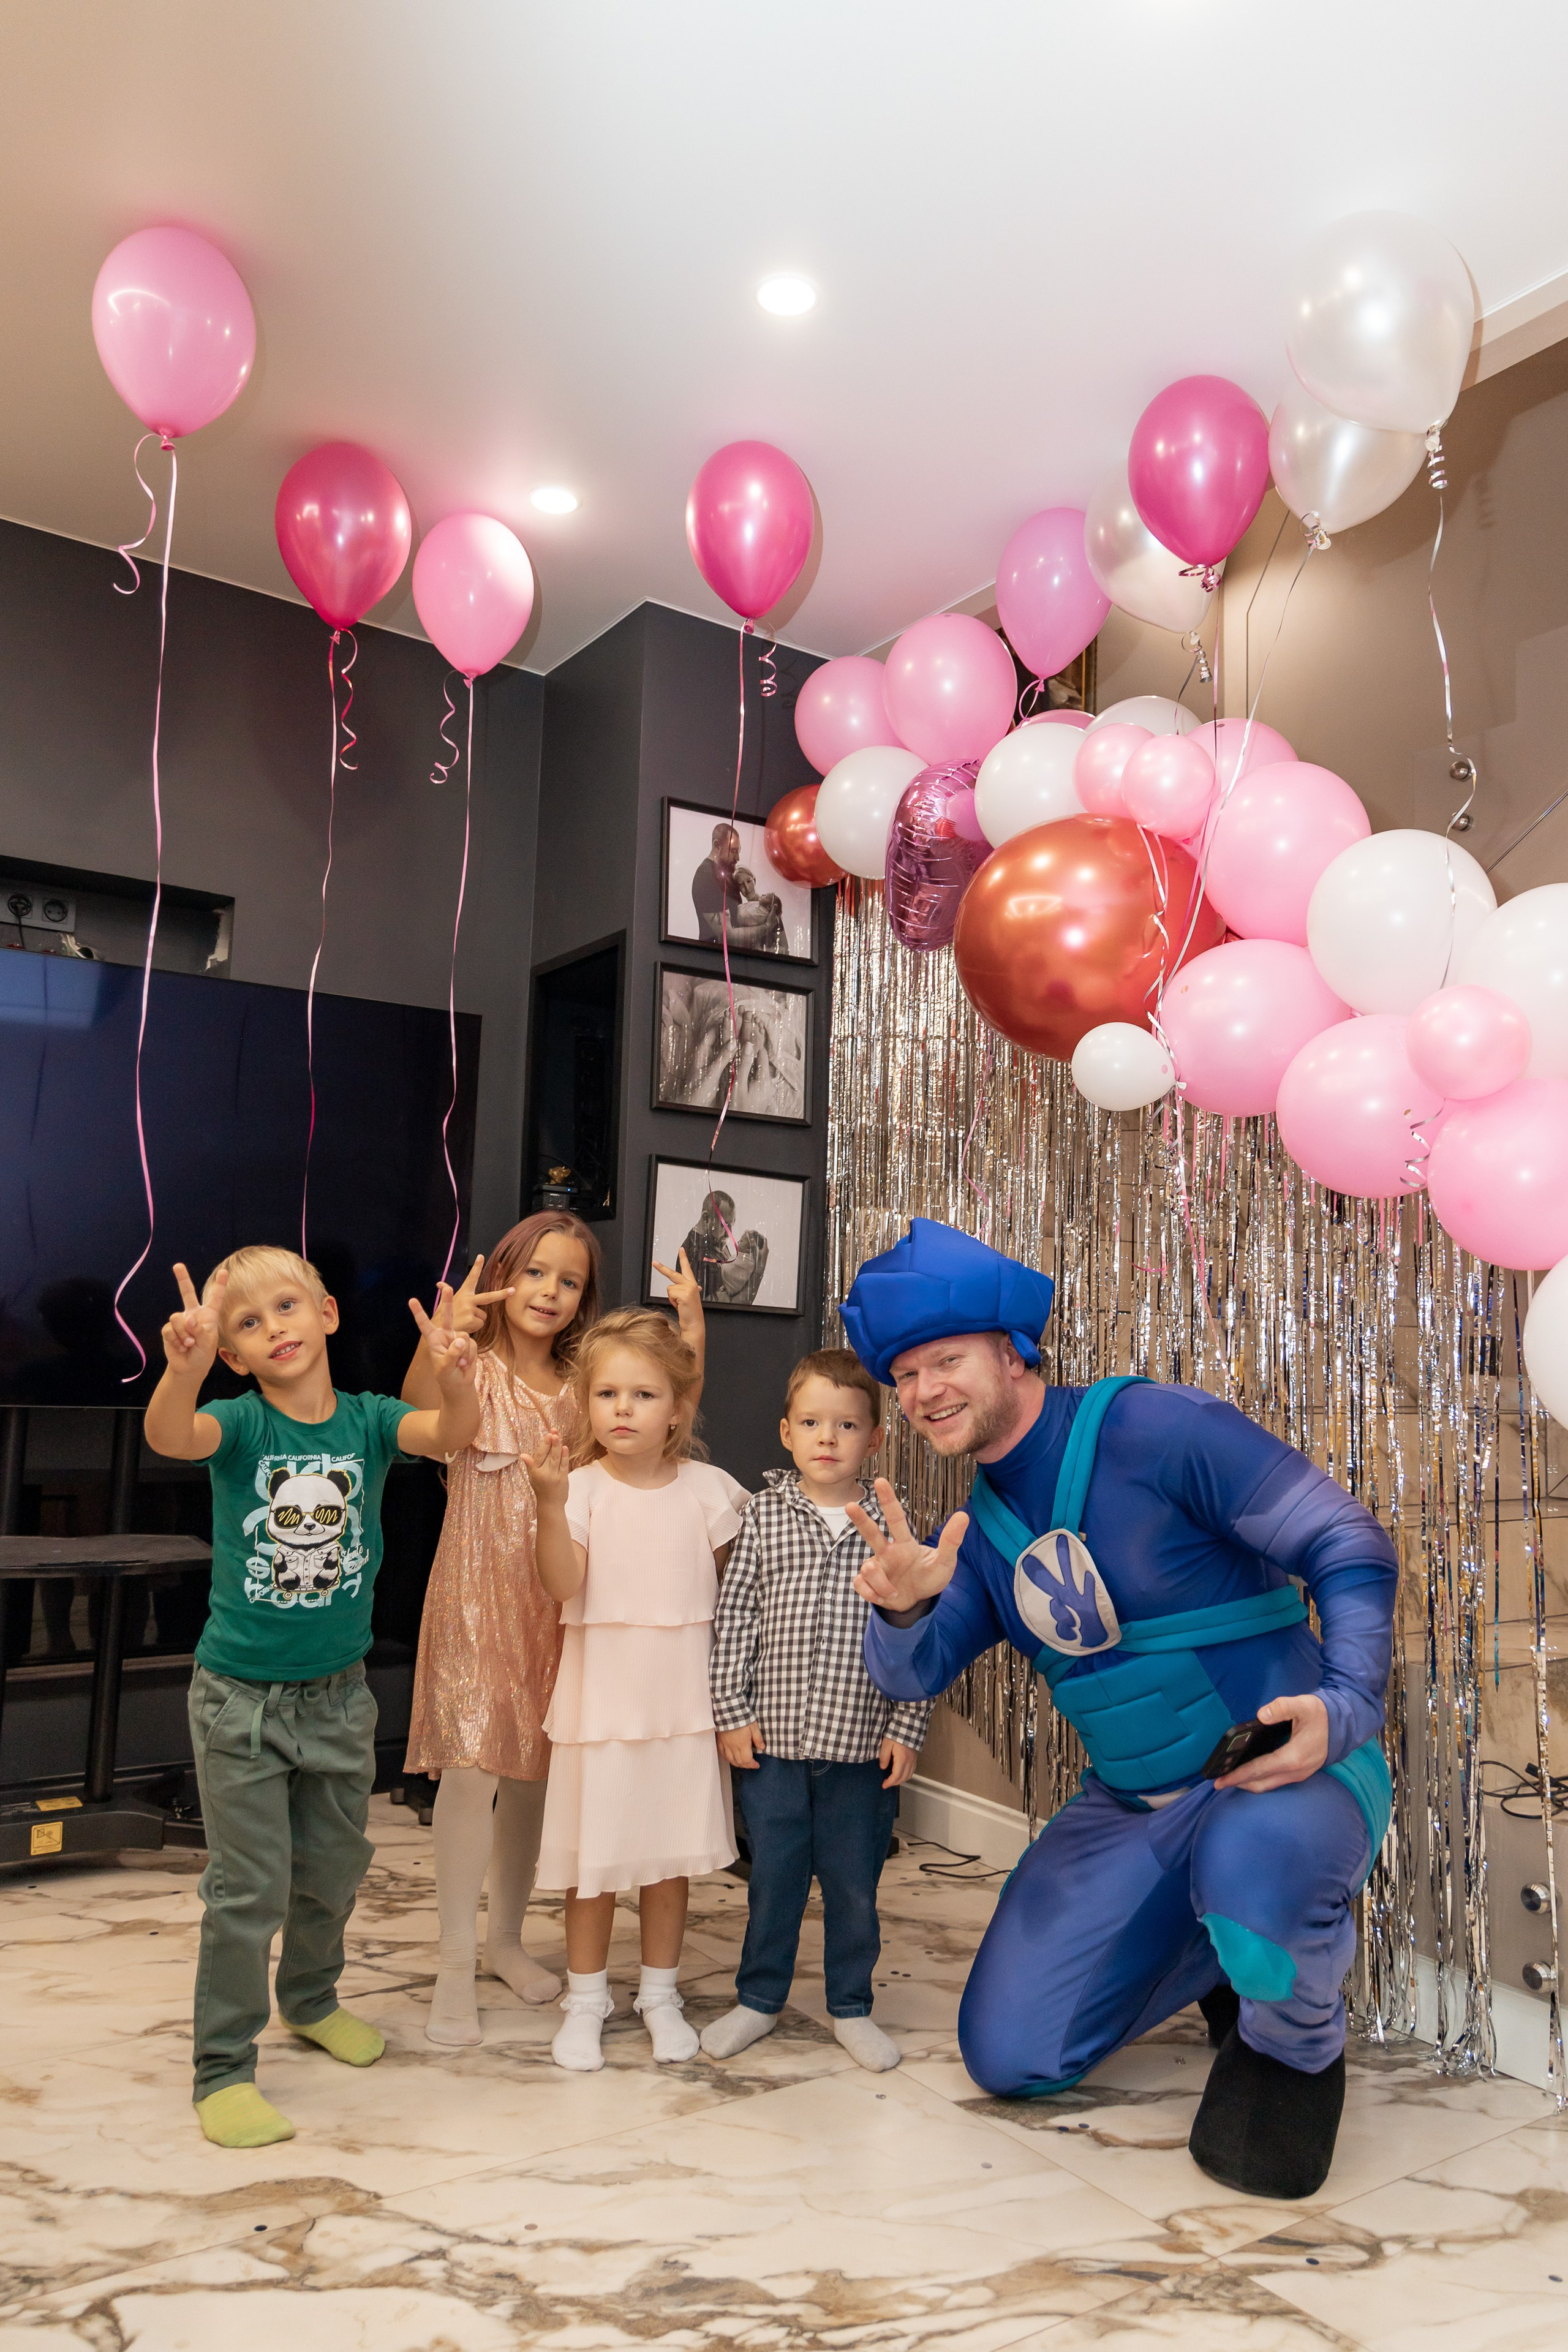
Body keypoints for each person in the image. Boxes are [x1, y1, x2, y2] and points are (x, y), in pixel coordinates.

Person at [840, 1218, 1398, 2202]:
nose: (923, 1392)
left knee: (1253, 1870)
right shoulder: (977, 1533)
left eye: (946, 1360)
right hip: (1134, 1809)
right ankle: (1217, 1954)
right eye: (905, 1376)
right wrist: (904, 1607)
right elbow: (913, 1674)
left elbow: (1346, 1541)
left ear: (1013, 1352)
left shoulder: (1159, 1429)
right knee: (1012, 2055)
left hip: (1284, 1772)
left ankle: (1293, 2049)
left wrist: (1345, 1703)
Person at [144, 1247, 481, 2150]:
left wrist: (456, 1376)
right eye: (249, 1324)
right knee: (249, 1890)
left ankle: (310, 1999)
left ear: (328, 1314)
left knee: (333, 1870)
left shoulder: (371, 1420)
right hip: (240, 1703)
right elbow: (171, 1437)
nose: (274, 1329)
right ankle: (223, 2069)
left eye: (287, 1307)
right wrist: (182, 1372)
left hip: (339, 1698)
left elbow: (450, 1435)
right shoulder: (240, 1424)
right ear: (234, 1354)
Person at [403, 1218, 706, 2047]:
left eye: (568, 1281)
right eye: (535, 1272)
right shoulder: (472, 1366)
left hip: (562, 1598)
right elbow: (418, 1418)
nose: (549, 1292)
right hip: (474, 1594)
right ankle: (454, 1961)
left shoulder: (587, 1383)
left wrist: (693, 1331)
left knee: (536, 1775)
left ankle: (505, 1940)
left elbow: (668, 1410)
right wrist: (442, 1346)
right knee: (471, 1772)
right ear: (503, 1272)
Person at [527, 1308, 746, 2071]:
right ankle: (585, 1999)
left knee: (666, 1861)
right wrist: (548, 1505)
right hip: (601, 1712)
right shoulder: (579, 1490)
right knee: (592, 1865)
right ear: (586, 1404)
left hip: (679, 1711)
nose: (623, 1408)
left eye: (644, 1395)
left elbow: (747, 1592)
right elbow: (563, 1584)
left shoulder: (710, 1492)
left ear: (677, 1409)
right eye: (607, 1394)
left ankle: (660, 1995)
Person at [703, 1348, 930, 2073]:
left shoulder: (893, 1529)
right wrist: (730, 1712)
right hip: (772, 1745)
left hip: (860, 1749)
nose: (827, 1437)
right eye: (810, 1423)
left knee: (853, 1888)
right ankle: (758, 1998)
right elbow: (735, 1619)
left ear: (875, 1438)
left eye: (846, 1425)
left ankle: (851, 2006)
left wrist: (906, 1727)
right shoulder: (763, 1517)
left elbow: (919, 1636)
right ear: (786, 1432)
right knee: (773, 1880)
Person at [690, 823, 781, 954]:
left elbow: (747, 903)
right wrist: (766, 927)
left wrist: (765, 904)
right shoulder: (706, 877)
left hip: (734, 957)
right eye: (733, 851)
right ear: (717, 846)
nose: (738, 858)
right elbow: (727, 937)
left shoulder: (728, 873)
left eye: (739, 851)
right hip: (714, 959)